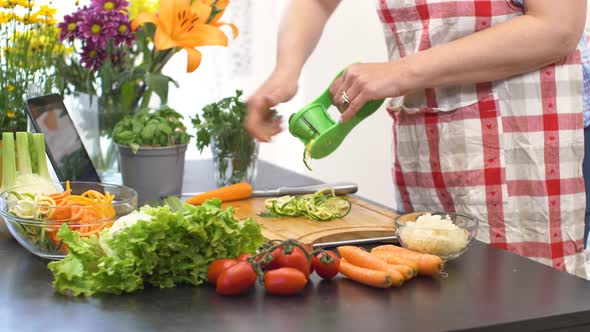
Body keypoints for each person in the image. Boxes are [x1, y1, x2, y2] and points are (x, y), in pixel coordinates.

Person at [245, 0, 589, 278]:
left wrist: (399, 72)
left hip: (526, 138)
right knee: (437, 287)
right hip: (427, 138)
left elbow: (557, 27)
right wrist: (285, 71)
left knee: (525, 294)